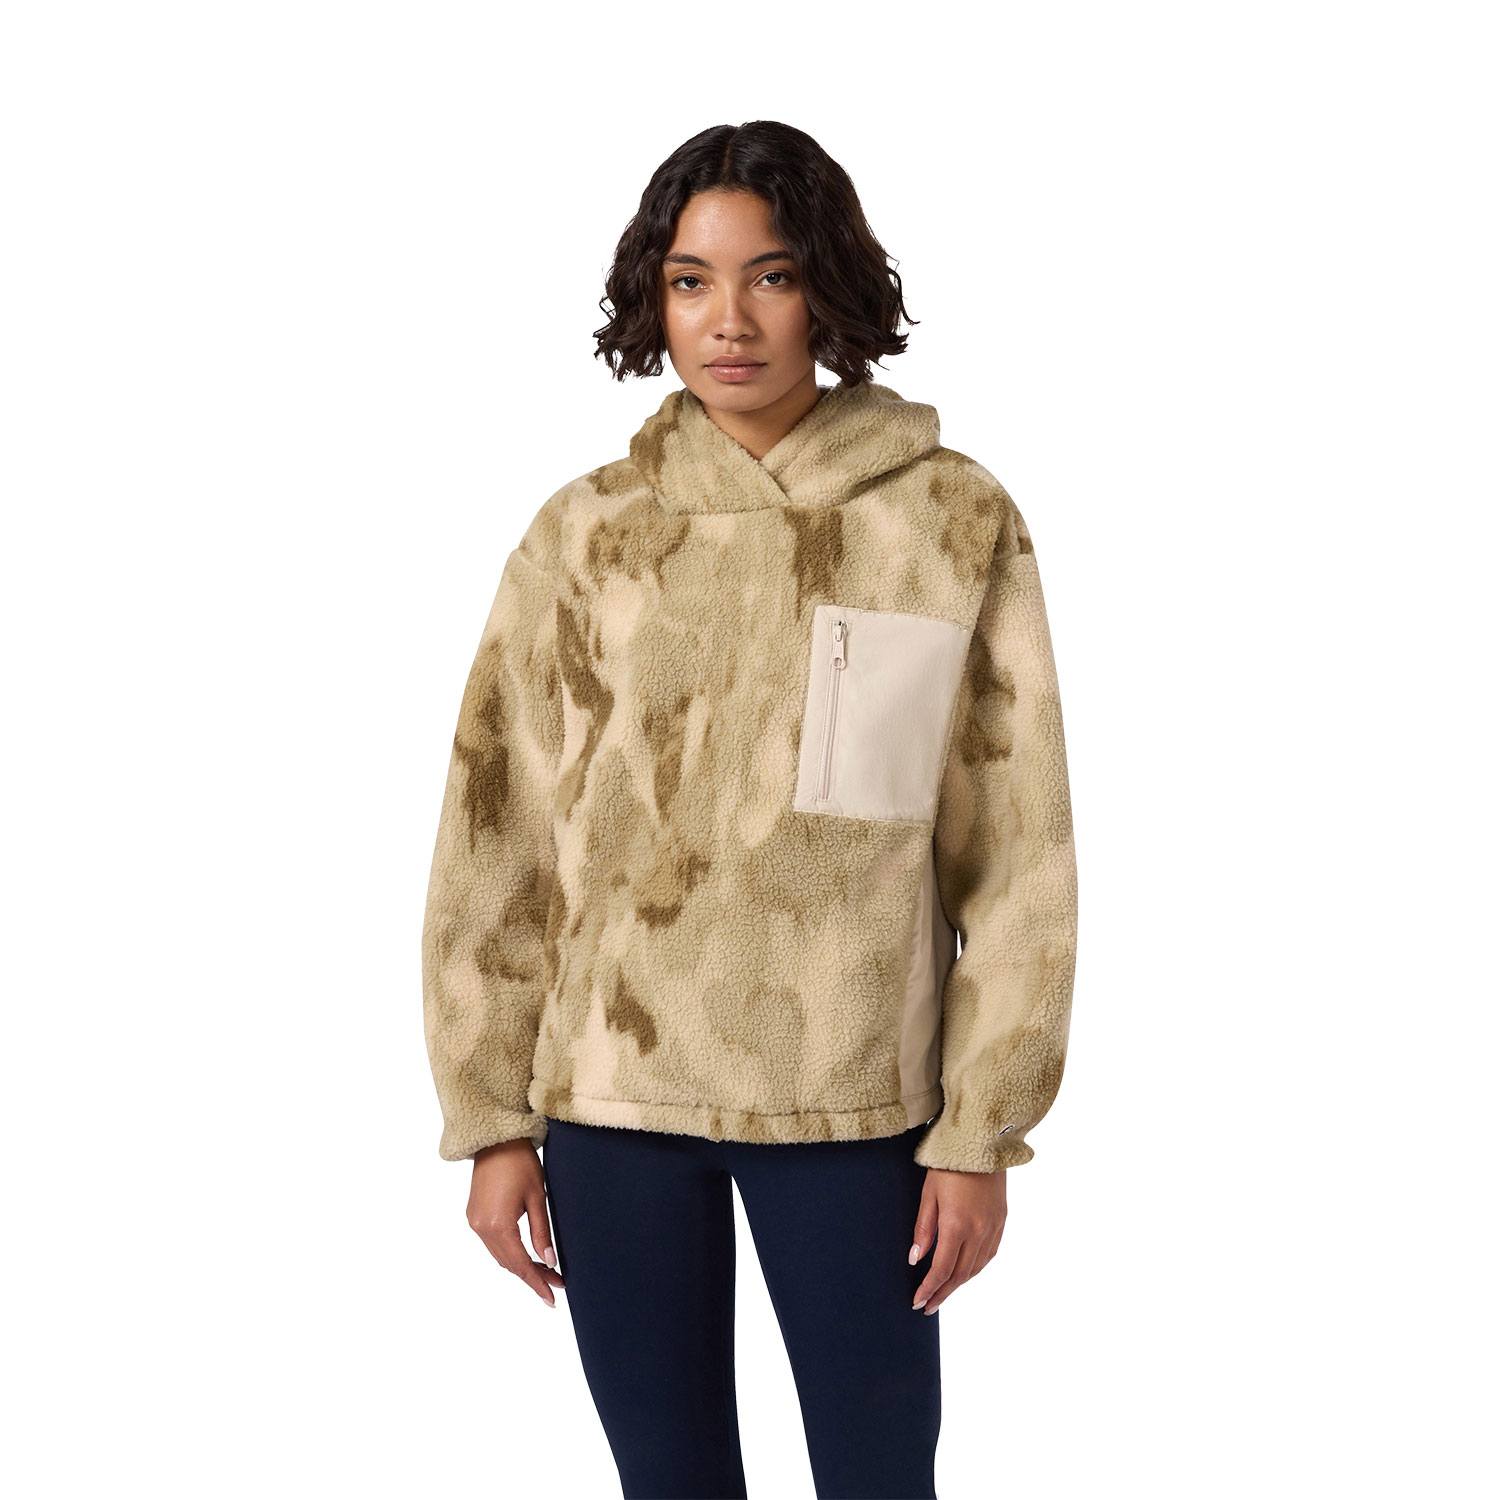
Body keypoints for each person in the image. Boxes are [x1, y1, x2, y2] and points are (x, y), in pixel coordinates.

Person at [420, 119, 1078, 1500]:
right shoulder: (586, 534)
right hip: (613, 1092)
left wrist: (979, 1131)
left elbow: (1017, 854)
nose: (730, 321)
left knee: (880, 1475)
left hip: (855, 1097)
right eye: (691, 281)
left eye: (771, 276)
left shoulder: (948, 519)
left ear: (827, 285)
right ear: (652, 298)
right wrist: (490, 1117)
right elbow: (498, 827)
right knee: (668, 1481)